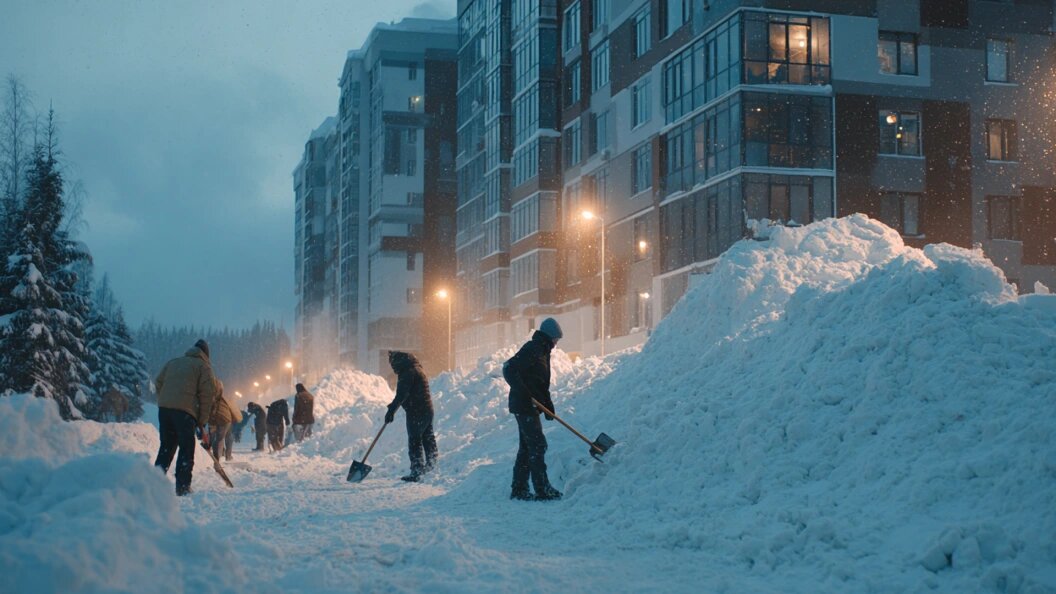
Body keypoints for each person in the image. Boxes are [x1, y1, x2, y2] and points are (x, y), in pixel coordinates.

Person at [502, 318, 563, 501]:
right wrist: (525, 394)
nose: (556, 343)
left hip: (529, 406)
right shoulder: (533, 349)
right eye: (556, 339)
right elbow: (509, 368)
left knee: (527, 447)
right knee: (537, 445)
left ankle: (519, 489)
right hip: (524, 406)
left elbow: (540, 384)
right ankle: (542, 489)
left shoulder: (543, 351)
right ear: (550, 337)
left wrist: (548, 404)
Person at [153, 339, 219, 496]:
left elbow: (158, 382)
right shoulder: (204, 367)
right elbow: (207, 396)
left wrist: (166, 400)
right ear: (206, 354)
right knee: (186, 448)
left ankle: (152, 483)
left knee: (166, 447)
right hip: (185, 412)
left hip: (164, 409)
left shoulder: (173, 362)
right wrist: (202, 421)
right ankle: (182, 487)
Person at [384, 351, 437, 482]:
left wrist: (391, 410)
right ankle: (432, 466)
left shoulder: (407, 373)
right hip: (427, 410)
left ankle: (417, 471)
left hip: (416, 411)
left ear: (398, 362)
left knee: (415, 441)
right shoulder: (417, 368)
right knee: (427, 438)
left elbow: (402, 394)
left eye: (392, 364)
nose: (393, 368)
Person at [208, 383, 241, 462]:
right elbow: (234, 410)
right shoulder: (225, 399)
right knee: (225, 437)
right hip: (225, 420)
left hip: (215, 419)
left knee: (217, 438)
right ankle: (226, 456)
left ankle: (217, 456)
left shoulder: (208, 398)